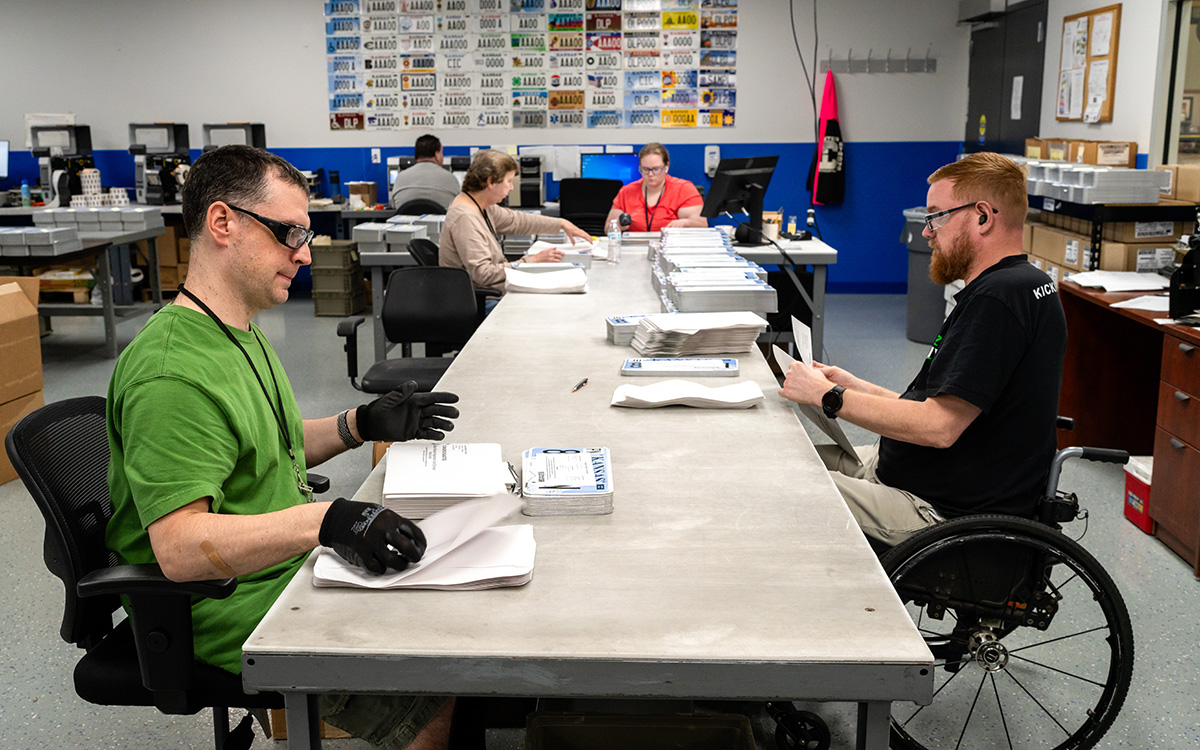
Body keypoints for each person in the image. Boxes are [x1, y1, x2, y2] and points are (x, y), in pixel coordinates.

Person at [105, 145, 461, 749]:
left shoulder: (234, 328)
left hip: (283, 570)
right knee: (426, 691)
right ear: (223, 223)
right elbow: (181, 551)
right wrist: (326, 520)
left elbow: (271, 440)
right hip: (228, 601)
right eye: (289, 232)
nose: (303, 251)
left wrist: (363, 421)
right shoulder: (170, 375)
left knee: (444, 614)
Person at [778, 152, 1066, 547]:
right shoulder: (1022, 285)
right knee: (781, 458)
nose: (928, 232)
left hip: (939, 511)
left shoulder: (998, 300)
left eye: (936, 216)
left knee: (783, 485)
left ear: (982, 216)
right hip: (914, 474)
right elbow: (942, 405)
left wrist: (827, 396)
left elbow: (939, 427)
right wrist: (852, 385)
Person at [440, 149, 591, 306]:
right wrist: (530, 261)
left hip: (495, 292)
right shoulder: (465, 218)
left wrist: (561, 223)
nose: (512, 188)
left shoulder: (481, 206)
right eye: (509, 181)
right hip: (483, 301)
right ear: (491, 182)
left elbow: (518, 220)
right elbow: (483, 274)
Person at [604, 143, 707, 232]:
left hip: (671, 246)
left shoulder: (684, 189)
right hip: (635, 246)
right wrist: (617, 224)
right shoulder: (627, 192)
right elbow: (607, 229)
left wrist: (685, 223)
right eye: (645, 169)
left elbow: (702, 225)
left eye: (656, 169)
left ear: (666, 166)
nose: (650, 174)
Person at [388, 133, 461, 211]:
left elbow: (393, 205)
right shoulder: (450, 178)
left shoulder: (400, 178)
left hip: (407, 223)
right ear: (437, 155)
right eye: (441, 152)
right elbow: (459, 206)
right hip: (440, 223)